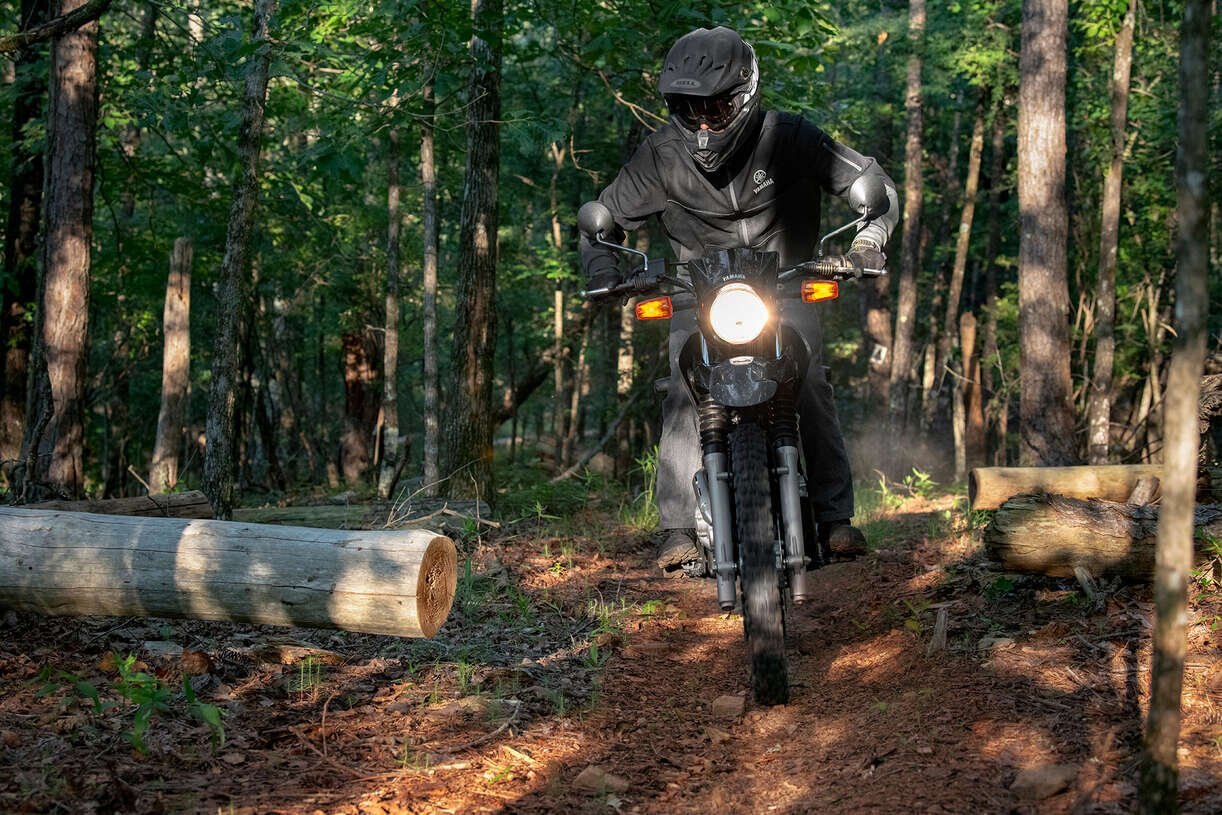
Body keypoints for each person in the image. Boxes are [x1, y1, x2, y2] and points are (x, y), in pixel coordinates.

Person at [581, 26, 899, 576]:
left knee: (810, 383)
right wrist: (605, 267)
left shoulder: (791, 137)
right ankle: (677, 529)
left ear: (745, 94)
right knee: (682, 393)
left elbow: (874, 185)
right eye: (689, 108)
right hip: (696, 296)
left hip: (785, 288)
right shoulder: (660, 156)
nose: (703, 121)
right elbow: (602, 220)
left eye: (716, 105)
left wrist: (867, 241)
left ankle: (834, 516)